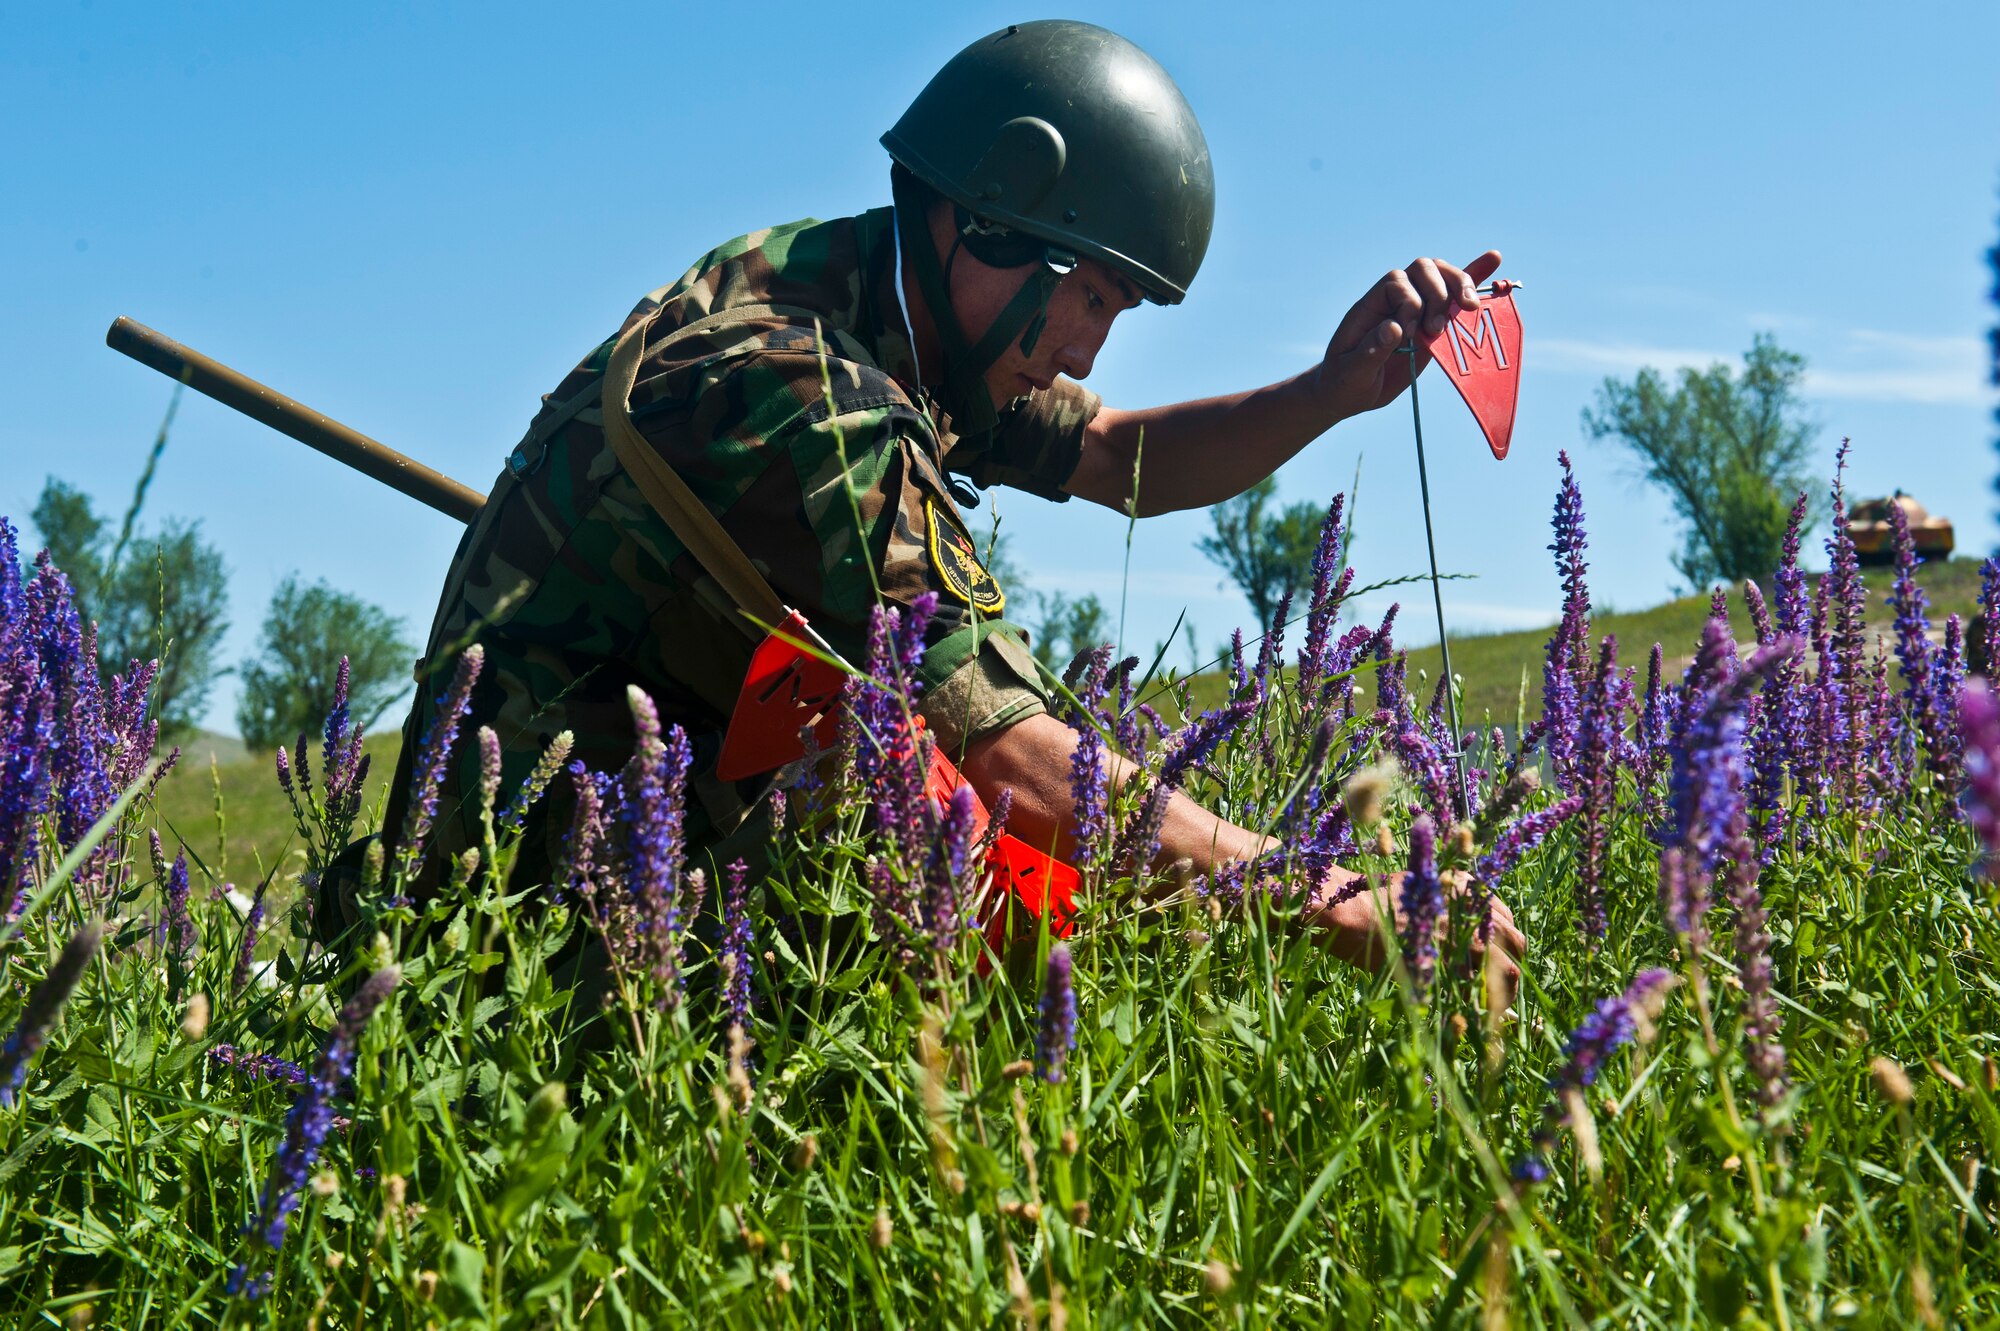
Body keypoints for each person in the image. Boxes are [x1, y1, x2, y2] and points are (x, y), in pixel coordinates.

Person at [366, 19, 1525, 985]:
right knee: (976, 837)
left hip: (615, 856)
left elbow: (1122, 457)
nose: (1080, 352)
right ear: (989, 218)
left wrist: (1329, 391)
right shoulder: (803, 390)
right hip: (504, 936)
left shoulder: (892, 307)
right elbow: (1017, 759)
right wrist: (1320, 889)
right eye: (1089, 299)